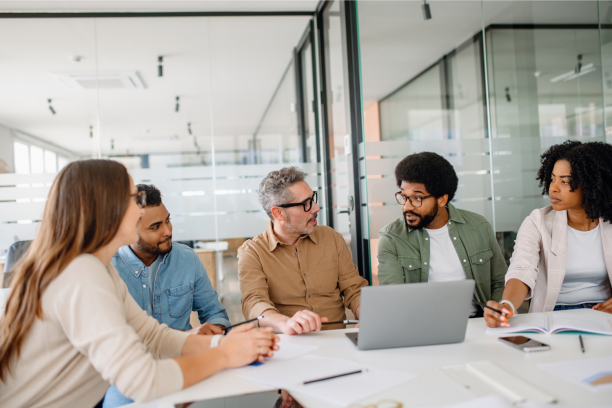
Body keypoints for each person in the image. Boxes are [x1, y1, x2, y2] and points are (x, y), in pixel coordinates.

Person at [0, 160, 279, 408]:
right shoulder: (79, 273)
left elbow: (152, 337)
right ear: (107, 209)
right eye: (135, 199)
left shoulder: (99, 269)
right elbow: (143, 381)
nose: (139, 209)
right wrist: (225, 355)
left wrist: (222, 342)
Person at [104, 184, 230, 408]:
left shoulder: (187, 259)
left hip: (185, 364)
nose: (168, 231)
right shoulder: (106, 269)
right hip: (130, 373)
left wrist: (215, 329)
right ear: (127, 231)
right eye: (155, 227)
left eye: (167, 220)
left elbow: (214, 312)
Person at [485, 141, 612, 328]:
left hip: (603, 313)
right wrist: (507, 305)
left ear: (592, 184)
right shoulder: (537, 221)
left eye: (565, 181)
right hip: (554, 315)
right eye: (553, 179)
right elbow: (522, 269)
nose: (553, 188)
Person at [238, 167, 368, 334]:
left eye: (312, 199)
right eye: (306, 204)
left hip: (336, 337)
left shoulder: (331, 238)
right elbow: (254, 303)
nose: (316, 208)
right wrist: (286, 323)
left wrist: (366, 315)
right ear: (278, 213)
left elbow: (354, 289)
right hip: (289, 342)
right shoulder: (252, 252)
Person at [377, 152, 507, 317]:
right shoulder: (392, 238)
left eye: (417, 198)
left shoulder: (478, 226)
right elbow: (393, 295)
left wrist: (497, 311)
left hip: (478, 322)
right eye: (404, 196)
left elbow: (499, 282)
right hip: (423, 325)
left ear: (442, 200)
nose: (406, 207)